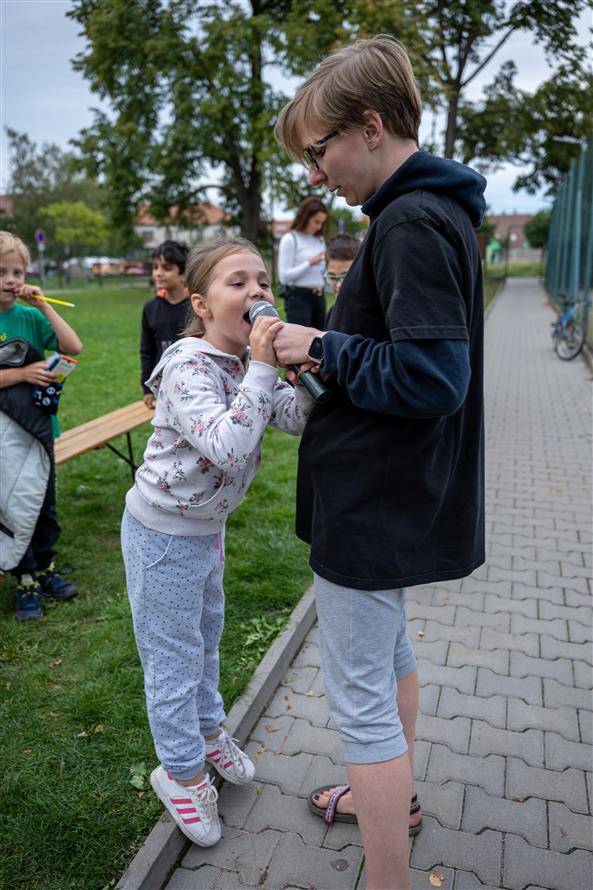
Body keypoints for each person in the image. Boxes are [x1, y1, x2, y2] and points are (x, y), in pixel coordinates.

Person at [273, 35, 486, 890]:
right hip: (390, 497)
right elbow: (409, 357)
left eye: (318, 150)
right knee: (390, 657)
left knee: (360, 700)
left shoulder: (408, 222)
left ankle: (387, 873)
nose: (315, 173)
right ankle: (392, 802)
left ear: (368, 127)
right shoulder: (431, 212)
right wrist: (335, 354)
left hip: (370, 504)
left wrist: (319, 344)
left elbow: (434, 378)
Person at [121, 237, 313, 848]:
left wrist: (307, 373)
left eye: (263, 281)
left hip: (206, 532)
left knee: (205, 642)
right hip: (161, 537)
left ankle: (207, 735)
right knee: (172, 660)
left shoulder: (246, 362)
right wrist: (263, 368)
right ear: (201, 304)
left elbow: (295, 419)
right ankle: (180, 774)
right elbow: (228, 446)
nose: (257, 291)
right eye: (239, 282)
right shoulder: (188, 366)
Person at [0, 231, 83, 620]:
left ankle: (45, 566)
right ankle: (24, 577)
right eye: (1, 272)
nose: (10, 280)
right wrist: (22, 374)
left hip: (39, 430)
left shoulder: (30, 316)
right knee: (12, 504)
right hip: (5, 436)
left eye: (17, 272)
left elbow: (73, 347)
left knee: (43, 502)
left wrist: (44, 306)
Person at [140, 240, 190, 408]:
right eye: (155, 267)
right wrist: (147, 388)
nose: (158, 273)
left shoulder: (197, 307)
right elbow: (147, 351)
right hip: (164, 388)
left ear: (183, 274)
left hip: (195, 383)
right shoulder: (150, 308)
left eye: (166, 268)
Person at [277, 197, 328, 329]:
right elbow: (284, 277)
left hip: (320, 296)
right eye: (316, 222)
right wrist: (310, 262)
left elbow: (321, 272)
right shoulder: (290, 239)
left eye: (322, 223)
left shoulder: (319, 240)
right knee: (300, 338)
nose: (319, 227)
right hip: (298, 298)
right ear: (305, 217)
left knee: (320, 338)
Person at [323, 233, 361, 327]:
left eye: (346, 277)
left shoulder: (374, 316)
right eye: (332, 277)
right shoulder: (332, 313)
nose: (339, 285)